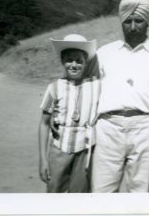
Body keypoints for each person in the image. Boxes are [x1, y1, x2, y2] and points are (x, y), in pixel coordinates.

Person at [91, 0, 149, 193]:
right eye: (128, 21)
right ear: (122, 22)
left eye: (139, 21)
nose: (133, 26)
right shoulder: (104, 53)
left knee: (139, 197)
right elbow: (92, 95)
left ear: (147, 23)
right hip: (108, 129)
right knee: (101, 194)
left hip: (145, 130)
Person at [38, 34, 100, 193]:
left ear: (86, 62)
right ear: (62, 61)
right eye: (69, 60)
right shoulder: (54, 87)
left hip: (84, 151)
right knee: (55, 193)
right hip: (59, 148)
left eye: (79, 60)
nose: (74, 65)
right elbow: (44, 124)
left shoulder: (96, 85)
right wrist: (43, 160)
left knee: (80, 196)